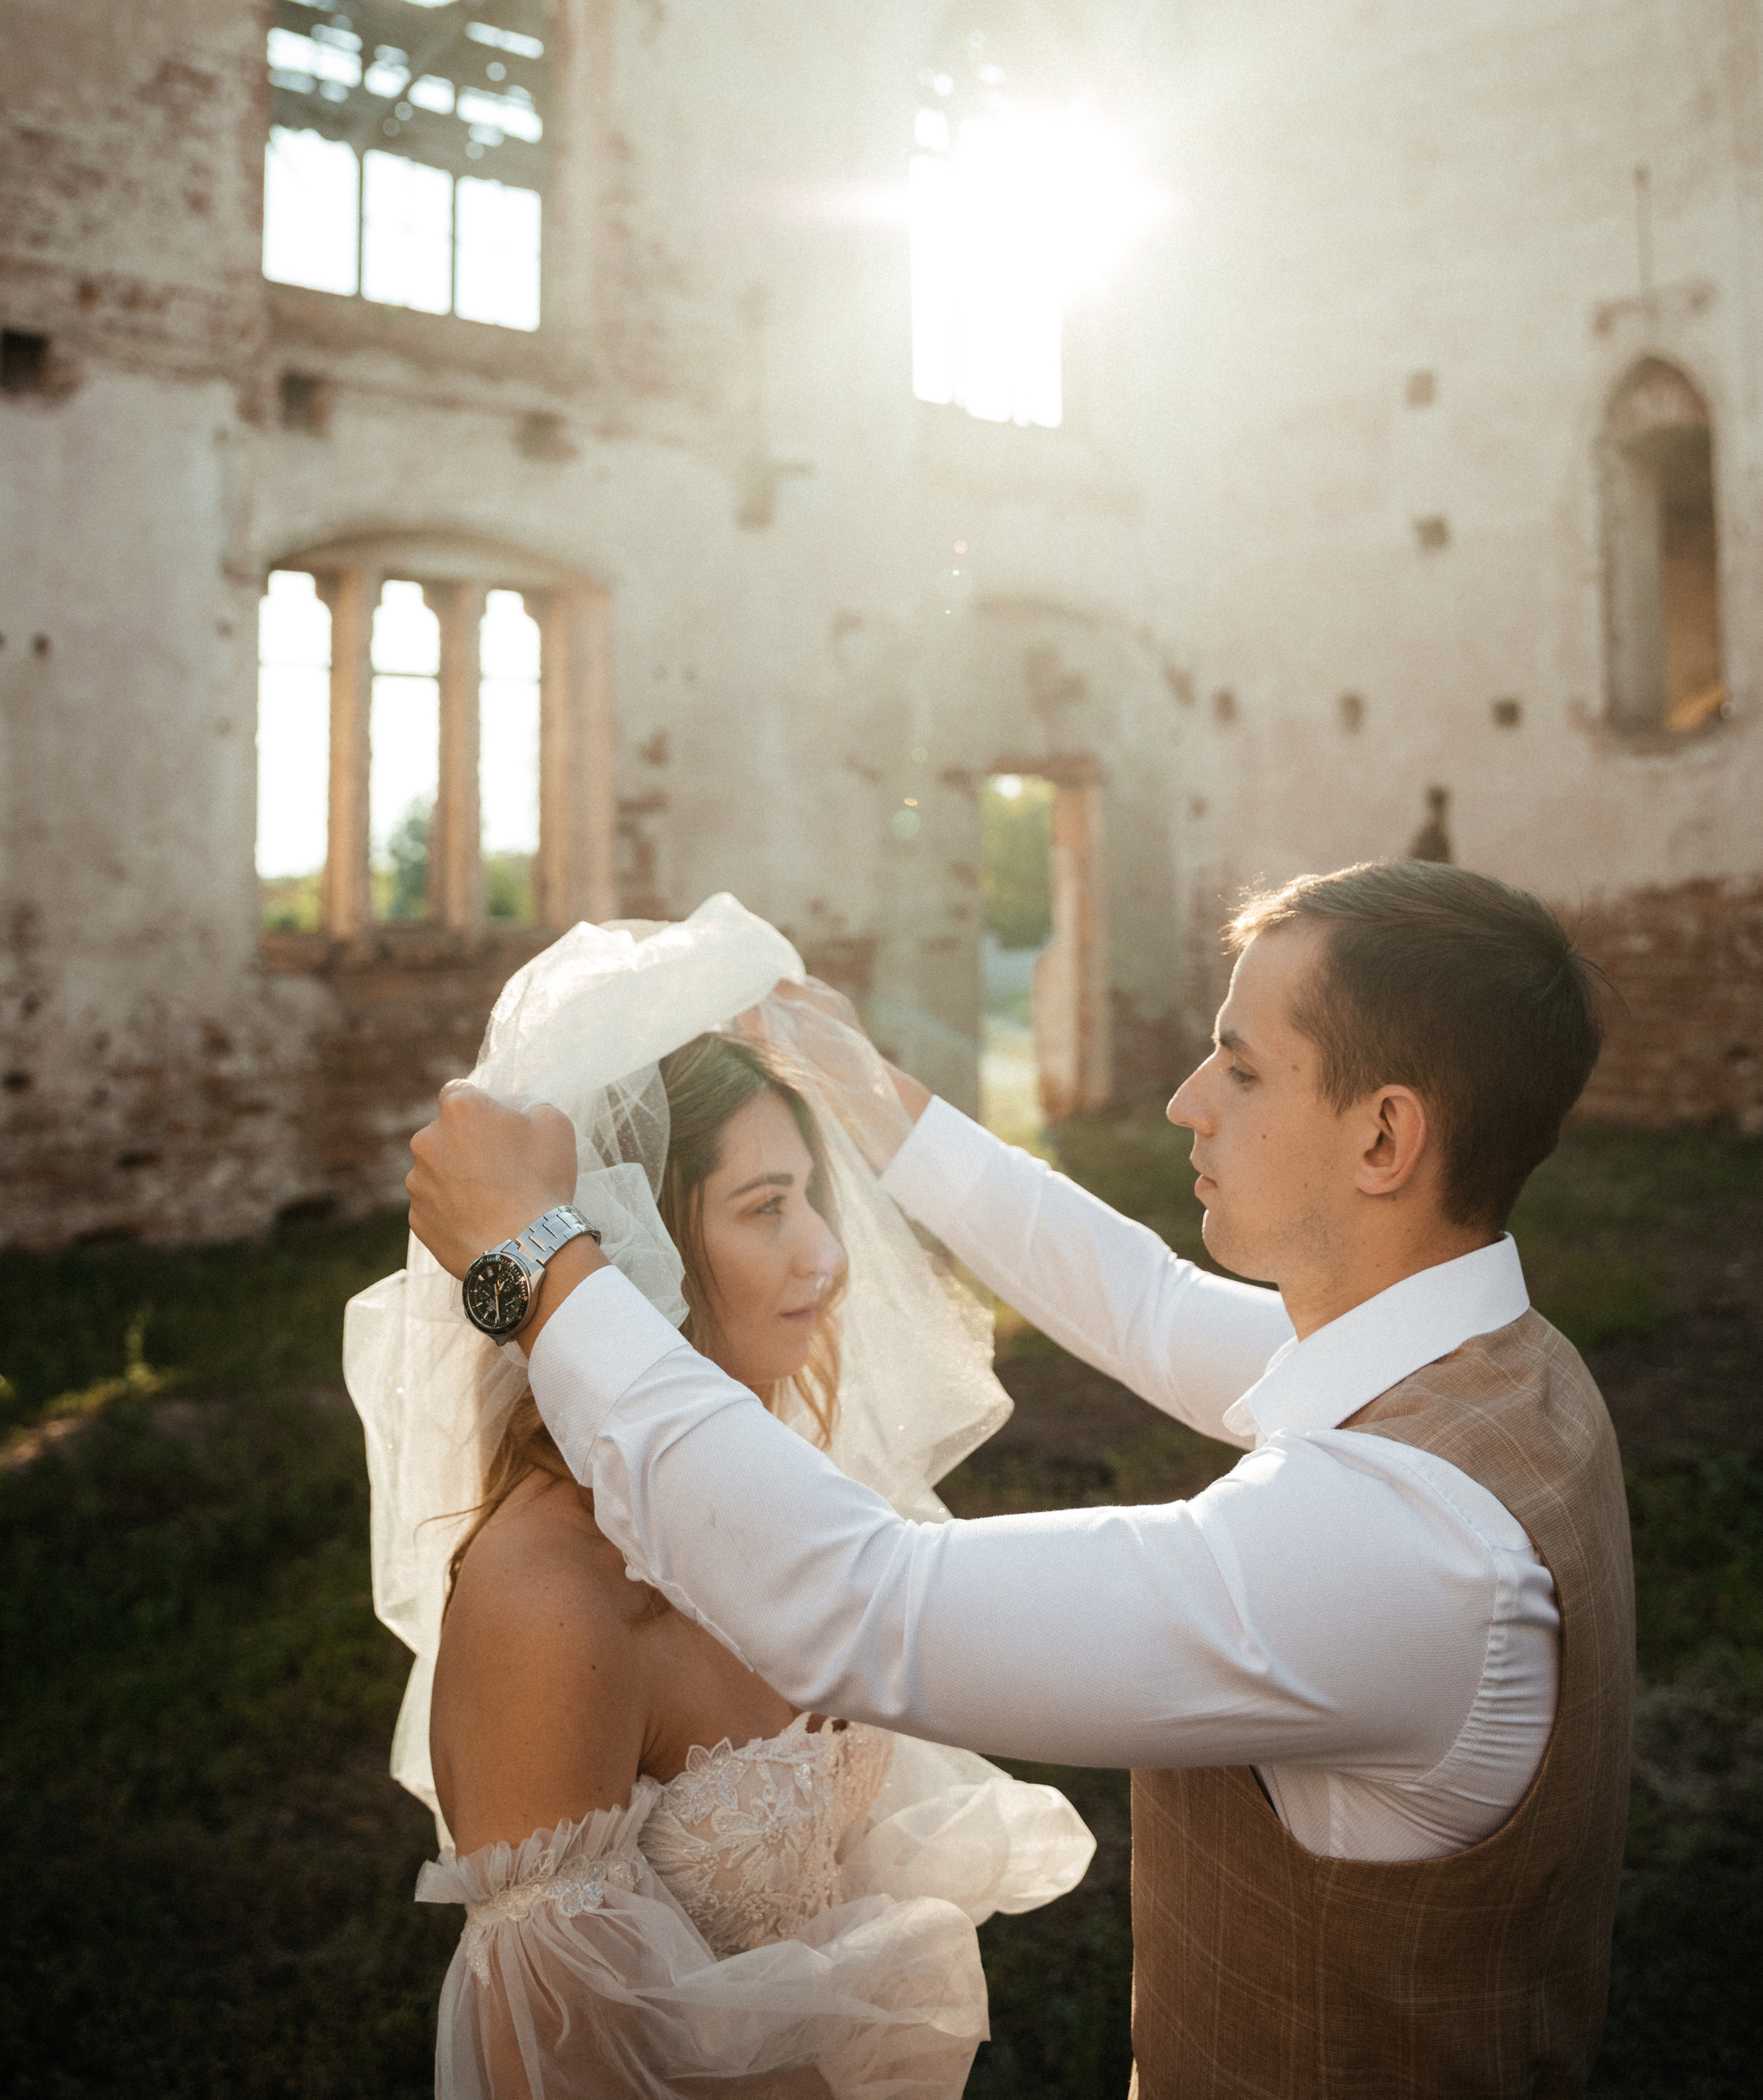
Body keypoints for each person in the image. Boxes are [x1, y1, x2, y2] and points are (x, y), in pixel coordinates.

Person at [408, 861, 1637, 2099]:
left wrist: (535, 1264)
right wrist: (863, 1087)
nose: (1187, 1101)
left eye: (1243, 1068)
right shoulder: (1493, 1369)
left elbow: (866, 1604)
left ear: (1383, 1137)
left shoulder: (1398, 1549)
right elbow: (1149, 1308)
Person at [348, 899, 1092, 2100]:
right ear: (635, 1251)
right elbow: (554, 2064)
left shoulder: (781, 1491)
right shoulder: (548, 1598)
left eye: (811, 1198)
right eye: (764, 1208)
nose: (827, 1256)